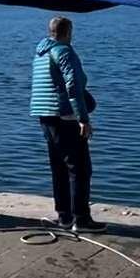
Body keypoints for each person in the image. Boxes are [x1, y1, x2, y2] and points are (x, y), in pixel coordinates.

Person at [30, 16, 102, 231]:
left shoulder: (40, 54)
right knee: (80, 168)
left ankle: (64, 216)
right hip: (64, 116)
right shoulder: (64, 51)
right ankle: (81, 219)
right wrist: (83, 119)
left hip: (44, 115)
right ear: (68, 31)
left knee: (58, 166)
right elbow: (73, 86)